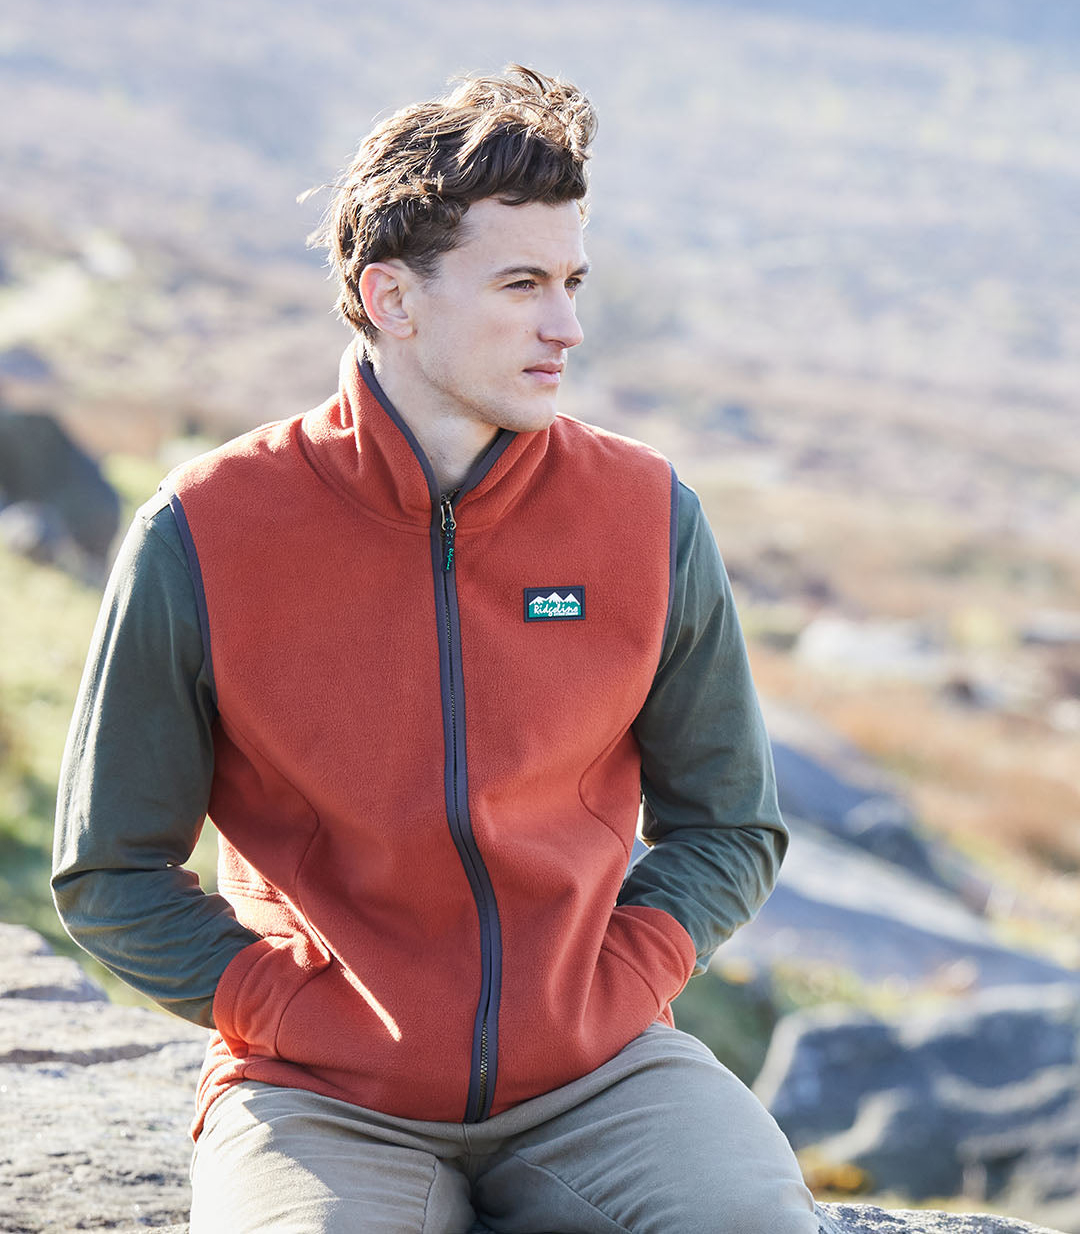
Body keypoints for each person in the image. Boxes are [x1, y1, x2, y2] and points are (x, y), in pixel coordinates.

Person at [52, 65, 819, 1233]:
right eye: (520, 284)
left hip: (599, 1079)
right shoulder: (204, 528)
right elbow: (108, 869)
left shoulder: (646, 514)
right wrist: (286, 1009)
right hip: (321, 1100)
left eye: (570, 282)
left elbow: (732, 820)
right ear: (392, 300)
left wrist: (624, 979)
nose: (564, 325)